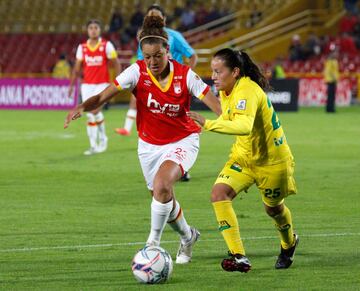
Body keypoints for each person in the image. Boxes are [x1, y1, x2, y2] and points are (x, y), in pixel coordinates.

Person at [64, 15, 221, 264]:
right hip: (149, 145)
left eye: (157, 55)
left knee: (162, 185)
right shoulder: (137, 71)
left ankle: (152, 245)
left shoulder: (185, 75)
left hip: (183, 140)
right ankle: (188, 236)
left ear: (168, 51)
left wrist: (230, 123)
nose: (152, 62)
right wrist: (82, 106)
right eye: (147, 57)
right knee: (161, 196)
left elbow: (217, 106)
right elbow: (105, 95)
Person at [188, 48, 298, 272]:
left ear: (235, 72)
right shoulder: (226, 91)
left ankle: (289, 243)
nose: (214, 76)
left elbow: (244, 126)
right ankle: (239, 256)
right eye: (213, 72)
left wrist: (207, 124)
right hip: (243, 157)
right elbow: (230, 119)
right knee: (219, 194)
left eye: (219, 72)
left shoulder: (247, 90)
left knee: (274, 210)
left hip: (273, 161)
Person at [115, 4, 198, 182]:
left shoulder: (175, 36)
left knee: (178, 122)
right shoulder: (144, 39)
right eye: (151, 15)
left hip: (174, 86)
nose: (154, 18)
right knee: (156, 122)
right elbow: (141, 60)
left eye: (157, 15)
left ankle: (181, 165)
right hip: (152, 82)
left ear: (164, 19)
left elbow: (192, 55)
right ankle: (130, 130)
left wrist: (186, 78)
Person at [68, 19, 121, 155]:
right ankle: (94, 145)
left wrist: (119, 81)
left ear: (100, 30)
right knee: (91, 116)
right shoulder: (82, 48)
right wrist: (72, 85)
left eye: (96, 27)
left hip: (102, 85)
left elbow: (116, 64)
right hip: (87, 86)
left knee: (94, 111)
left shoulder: (106, 45)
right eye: (90, 27)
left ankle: (102, 140)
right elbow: (76, 69)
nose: (93, 30)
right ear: (87, 30)